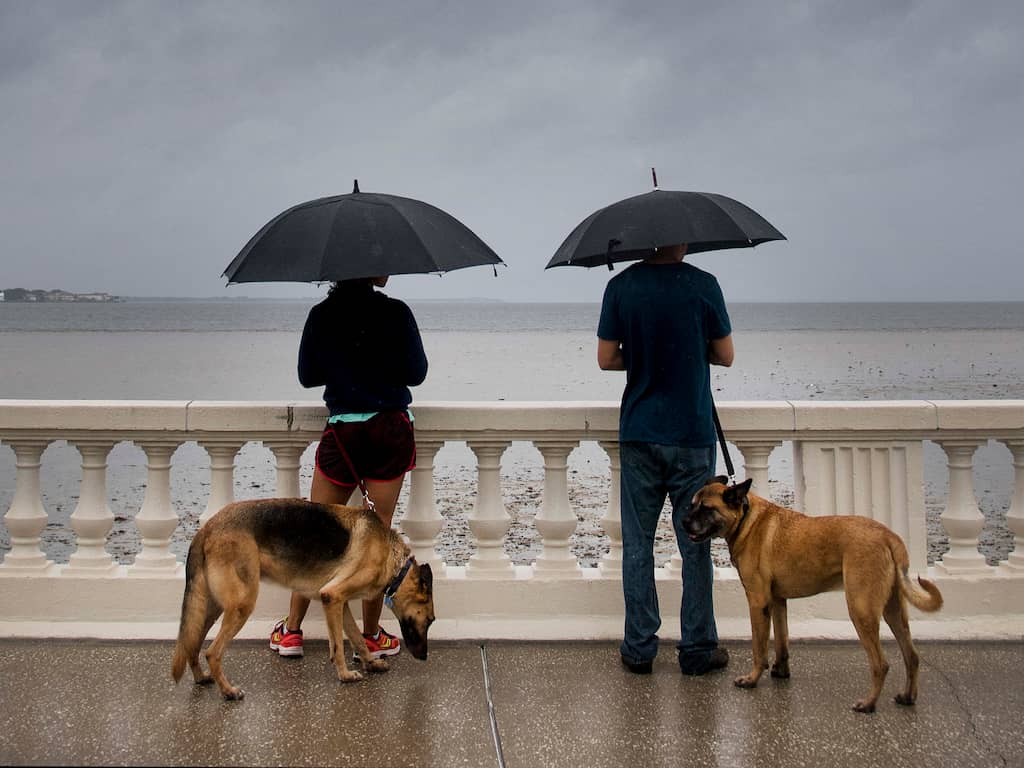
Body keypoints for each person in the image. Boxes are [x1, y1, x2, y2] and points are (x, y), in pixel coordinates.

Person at [269, 276, 428, 660]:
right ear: (370, 271)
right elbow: (417, 373)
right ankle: (371, 636)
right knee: (379, 539)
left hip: (343, 433)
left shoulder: (322, 315)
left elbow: (308, 376)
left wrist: (345, 363)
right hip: (389, 430)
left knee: (315, 536)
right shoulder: (397, 312)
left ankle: (291, 632)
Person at [597, 243, 735, 675]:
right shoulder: (704, 285)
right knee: (695, 541)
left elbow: (606, 358)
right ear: (683, 240)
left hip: (640, 431)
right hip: (691, 434)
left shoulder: (620, 286)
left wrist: (641, 357)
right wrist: (694, 349)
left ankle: (639, 647)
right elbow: (725, 354)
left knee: (637, 543)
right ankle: (697, 647)